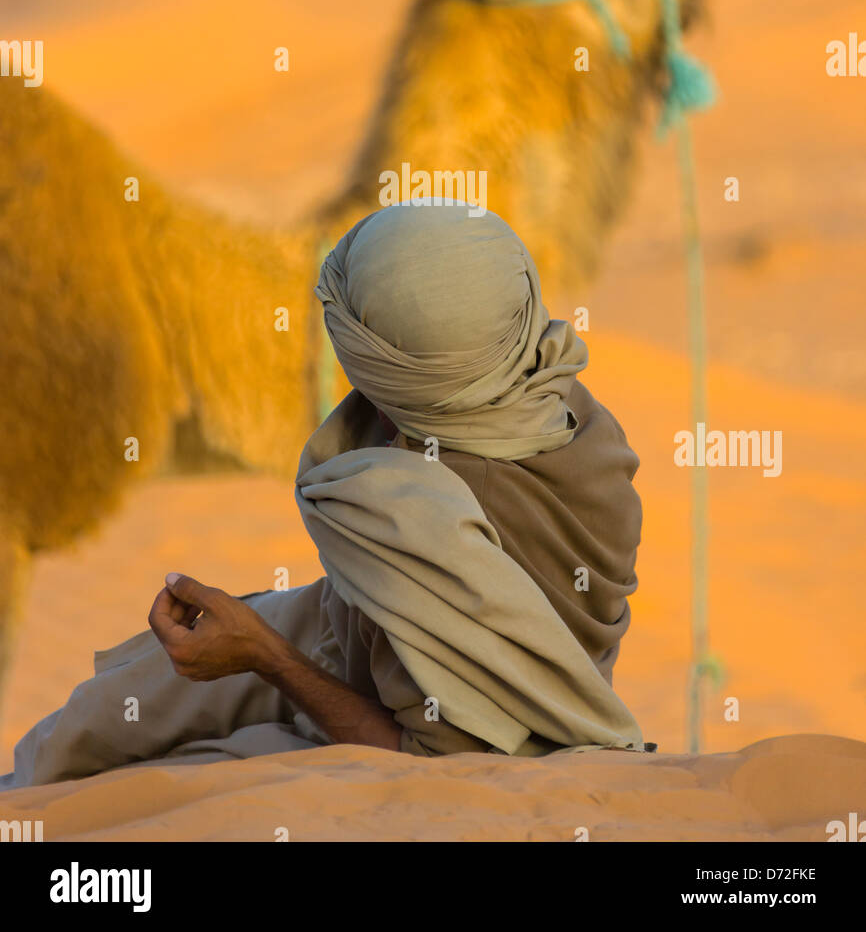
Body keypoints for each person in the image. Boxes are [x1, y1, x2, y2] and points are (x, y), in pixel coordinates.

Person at [2, 202, 646, 789]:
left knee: (128, 781)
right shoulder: (576, 415)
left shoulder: (411, 516)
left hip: (397, 719)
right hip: (364, 634)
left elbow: (441, 767)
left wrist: (263, 655)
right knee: (107, 711)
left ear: (384, 368)